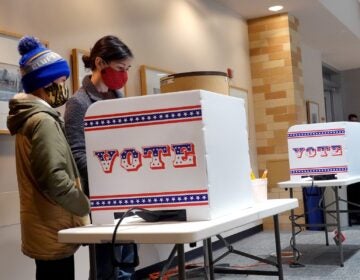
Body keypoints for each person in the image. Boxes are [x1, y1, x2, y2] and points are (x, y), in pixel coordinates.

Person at [7, 36, 90, 280]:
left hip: (43, 224)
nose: (64, 86)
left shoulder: (29, 118)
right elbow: (53, 178)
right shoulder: (43, 121)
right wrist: (84, 204)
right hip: (53, 225)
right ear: (46, 82)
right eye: (62, 80)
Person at [64, 35, 135, 280]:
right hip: (101, 195)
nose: (124, 75)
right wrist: (106, 178)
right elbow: (77, 152)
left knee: (127, 258)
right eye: (119, 68)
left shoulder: (118, 97)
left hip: (127, 190)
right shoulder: (79, 103)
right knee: (107, 263)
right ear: (99, 63)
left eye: (127, 69)